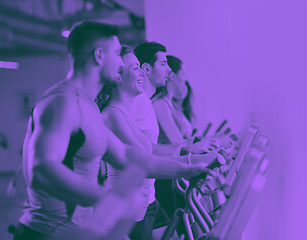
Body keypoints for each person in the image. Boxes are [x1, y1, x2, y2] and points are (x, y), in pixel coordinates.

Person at [14, 22, 213, 240]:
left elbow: (128, 155)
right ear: (99, 56)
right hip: (47, 234)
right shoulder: (63, 103)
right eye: (117, 53)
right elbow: (42, 169)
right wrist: (109, 199)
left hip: (77, 231)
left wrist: (189, 168)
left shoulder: (88, 106)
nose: (121, 62)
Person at [99, 46, 222, 240]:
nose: (141, 73)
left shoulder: (124, 112)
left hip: (143, 206)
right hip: (129, 212)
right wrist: (191, 164)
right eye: (135, 68)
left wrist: (194, 159)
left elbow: (150, 152)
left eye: (140, 67)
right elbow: (144, 163)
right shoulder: (112, 115)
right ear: (118, 76)